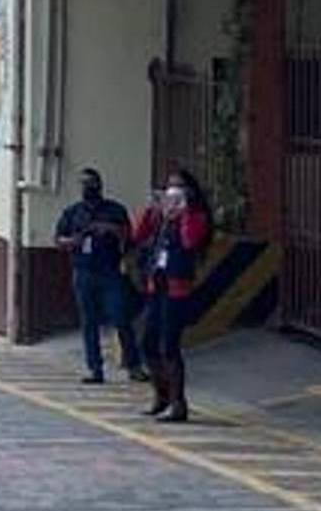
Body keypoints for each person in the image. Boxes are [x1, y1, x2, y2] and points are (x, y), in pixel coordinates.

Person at [131, 169, 216, 424]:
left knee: (169, 344)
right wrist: (152, 209)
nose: (173, 192)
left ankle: (179, 403)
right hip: (156, 284)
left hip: (177, 287)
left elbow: (190, 243)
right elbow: (138, 235)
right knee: (147, 341)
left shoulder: (195, 217)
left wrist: (185, 210)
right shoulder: (162, 218)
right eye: (169, 187)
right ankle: (162, 394)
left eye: (178, 187)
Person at [52, 169, 136, 387]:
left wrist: (110, 229)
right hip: (83, 271)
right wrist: (74, 241)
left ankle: (134, 365)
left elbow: (129, 237)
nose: (87, 187)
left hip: (110, 271)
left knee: (120, 317)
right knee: (89, 321)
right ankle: (95, 368)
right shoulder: (72, 212)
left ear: (100, 184)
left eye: (91, 183)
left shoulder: (115, 210)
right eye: (83, 184)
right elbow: (58, 240)